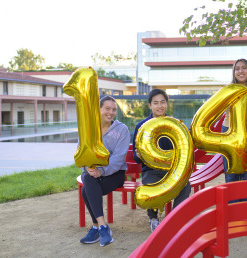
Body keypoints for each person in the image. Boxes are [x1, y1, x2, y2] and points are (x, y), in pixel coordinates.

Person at [132, 89, 191, 232]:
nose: (159, 106)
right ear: (150, 105)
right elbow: (135, 157)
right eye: (156, 103)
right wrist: (139, 155)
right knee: (151, 186)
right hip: (151, 171)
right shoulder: (141, 126)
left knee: (185, 186)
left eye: (162, 102)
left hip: (172, 171)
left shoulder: (174, 125)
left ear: (167, 104)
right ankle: (153, 218)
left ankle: (174, 219)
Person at [80, 95, 130, 247]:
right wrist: (87, 168)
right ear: (99, 109)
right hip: (92, 174)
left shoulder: (122, 129)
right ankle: (102, 227)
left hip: (115, 175)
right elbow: (81, 152)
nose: (111, 112)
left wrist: (102, 171)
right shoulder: (89, 129)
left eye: (114, 109)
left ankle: (97, 227)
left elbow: (119, 158)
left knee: (86, 190)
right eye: (107, 108)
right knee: (87, 179)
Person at [221, 59, 247, 203]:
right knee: (231, 173)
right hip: (229, 132)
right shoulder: (228, 89)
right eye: (237, 69)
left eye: (244, 68)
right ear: (234, 72)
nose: (240, 71)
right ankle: (231, 209)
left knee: (246, 173)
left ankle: (245, 209)